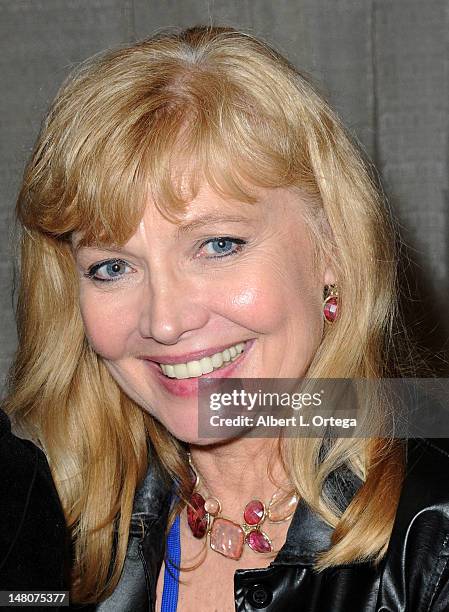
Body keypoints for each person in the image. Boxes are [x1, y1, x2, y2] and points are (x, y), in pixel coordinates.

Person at [3, 24, 449, 611]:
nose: (164, 321)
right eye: (112, 267)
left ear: (333, 250)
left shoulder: (432, 541)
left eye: (218, 245)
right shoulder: (52, 523)